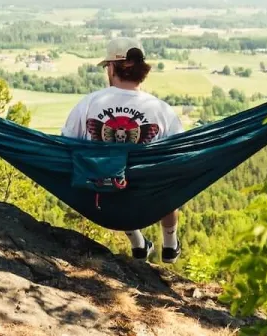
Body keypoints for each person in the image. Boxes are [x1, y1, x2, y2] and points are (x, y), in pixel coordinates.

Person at [61, 37, 183, 261]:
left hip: (104, 194)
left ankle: (138, 243)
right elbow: (178, 156)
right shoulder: (162, 110)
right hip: (150, 196)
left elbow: (66, 144)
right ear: (142, 70)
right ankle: (170, 243)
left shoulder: (88, 104)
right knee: (169, 180)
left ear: (111, 68)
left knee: (111, 175)